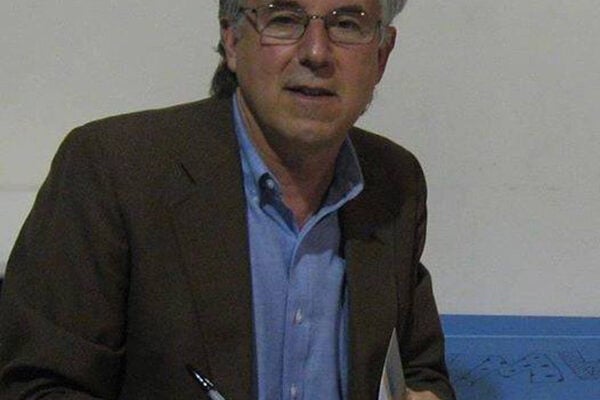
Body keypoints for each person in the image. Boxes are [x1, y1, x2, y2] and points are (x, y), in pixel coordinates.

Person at [0, 0, 455, 399]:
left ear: (382, 55)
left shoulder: (394, 182)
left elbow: (419, 369)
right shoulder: (114, 169)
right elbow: (35, 386)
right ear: (233, 41)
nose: (316, 52)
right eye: (284, 19)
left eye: (348, 24)